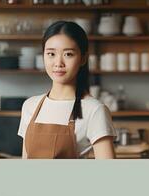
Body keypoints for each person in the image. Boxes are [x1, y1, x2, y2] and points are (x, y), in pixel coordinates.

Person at [17, 21, 115, 159]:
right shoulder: (30, 106)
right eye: (51, 54)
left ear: (83, 59)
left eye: (68, 54)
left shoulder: (94, 110)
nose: (58, 63)